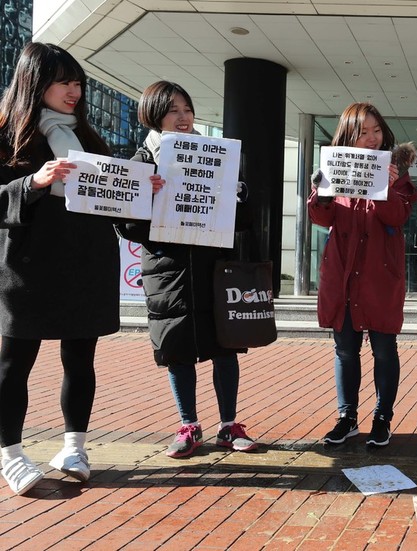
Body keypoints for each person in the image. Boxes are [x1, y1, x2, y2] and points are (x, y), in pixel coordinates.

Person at [116, 80, 258, 459]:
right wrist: (147, 195)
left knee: (224, 346)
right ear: (153, 115)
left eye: (187, 109)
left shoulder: (219, 156)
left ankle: (229, 425)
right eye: (172, 110)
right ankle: (188, 424)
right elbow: (127, 226)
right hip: (168, 272)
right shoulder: (141, 163)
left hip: (213, 269)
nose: (182, 117)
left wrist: (238, 195)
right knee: (177, 348)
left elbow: (244, 220)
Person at [0, 43, 118, 495]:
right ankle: (10, 453)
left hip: (83, 265)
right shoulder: (8, 134)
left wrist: (147, 192)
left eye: (78, 84)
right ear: (35, 83)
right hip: (26, 270)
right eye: (64, 82)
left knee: (80, 360)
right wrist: (33, 182)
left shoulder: (89, 138)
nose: (74, 92)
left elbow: (117, 202)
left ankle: (74, 446)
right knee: (14, 364)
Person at [309, 102, 417, 447]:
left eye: (376, 131)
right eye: (362, 132)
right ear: (348, 136)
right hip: (342, 274)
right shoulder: (337, 168)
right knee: (345, 349)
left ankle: (382, 417)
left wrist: (386, 188)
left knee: (384, 348)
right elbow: (321, 219)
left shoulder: (396, 172)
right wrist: (321, 192)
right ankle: (347, 417)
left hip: (380, 277)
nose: (371, 139)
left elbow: (397, 217)